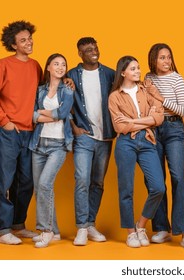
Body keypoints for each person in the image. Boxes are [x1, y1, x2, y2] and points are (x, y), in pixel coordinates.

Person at [0, 20, 42, 245]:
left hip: (31, 132)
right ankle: (2, 230)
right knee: (4, 180)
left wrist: (66, 81)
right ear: (14, 45)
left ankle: (18, 225)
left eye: (29, 38)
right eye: (23, 40)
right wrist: (4, 121)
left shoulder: (35, 66)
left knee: (26, 182)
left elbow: (45, 92)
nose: (29, 42)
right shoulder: (3, 65)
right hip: (9, 132)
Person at [144, 43, 184, 249]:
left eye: (168, 57)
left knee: (178, 177)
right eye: (162, 58)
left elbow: (183, 110)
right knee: (157, 179)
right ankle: (162, 228)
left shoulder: (177, 78)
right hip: (155, 128)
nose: (166, 61)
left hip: (174, 128)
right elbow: (145, 105)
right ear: (153, 60)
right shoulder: (148, 79)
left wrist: (160, 97)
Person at [108, 56, 165, 248]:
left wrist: (134, 122)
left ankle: (141, 225)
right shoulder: (115, 96)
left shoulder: (146, 90)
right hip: (126, 143)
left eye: (138, 68)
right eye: (133, 69)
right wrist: (145, 120)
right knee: (126, 189)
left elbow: (158, 118)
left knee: (158, 187)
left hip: (148, 140)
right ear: (123, 72)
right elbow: (119, 126)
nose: (138, 71)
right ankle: (131, 232)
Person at [67, 37, 116, 246]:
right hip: (84, 136)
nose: (93, 52)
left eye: (95, 48)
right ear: (80, 54)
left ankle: (90, 223)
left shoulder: (109, 73)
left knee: (97, 182)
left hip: (105, 137)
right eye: (87, 50)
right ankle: (81, 228)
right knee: (82, 180)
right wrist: (73, 127)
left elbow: (124, 95)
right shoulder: (71, 76)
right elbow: (59, 100)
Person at [28, 53, 74, 248]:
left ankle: (46, 231)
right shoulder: (39, 90)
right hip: (38, 144)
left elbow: (63, 113)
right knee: (40, 189)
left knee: (46, 184)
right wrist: (52, 116)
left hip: (58, 145)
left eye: (63, 64)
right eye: (56, 64)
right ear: (48, 67)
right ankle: (54, 231)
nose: (60, 67)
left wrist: (43, 114)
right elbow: (31, 115)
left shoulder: (68, 90)